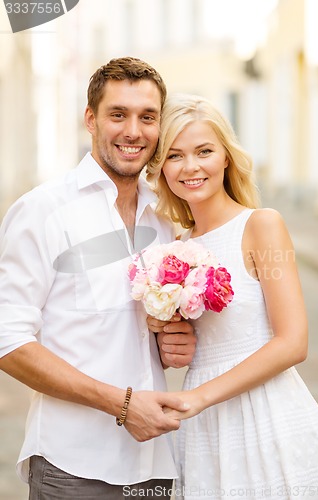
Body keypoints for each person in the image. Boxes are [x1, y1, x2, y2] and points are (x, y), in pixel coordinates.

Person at [0, 58, 197, 499]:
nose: (133, 131)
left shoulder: (166, 218)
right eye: (118, 114)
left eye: (147, 117)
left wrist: (175, 342)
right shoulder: (43, 211)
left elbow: (130, 335)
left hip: (155, 465)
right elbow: (8, 342)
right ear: (90, 119)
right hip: (75, 467)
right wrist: (123, 405)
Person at [147, 93, 318, 499]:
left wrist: (197, 397)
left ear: (226, 157)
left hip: (268, 413)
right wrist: (166, 338)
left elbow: (293, 342)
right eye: (175, 156)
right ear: (161, 169)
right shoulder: (173, 249)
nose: (191, 167)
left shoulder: (262, 226)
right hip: (205, 429)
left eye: (204, 151)